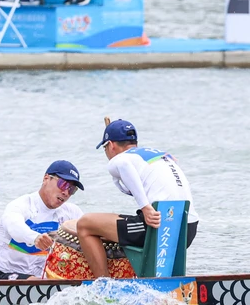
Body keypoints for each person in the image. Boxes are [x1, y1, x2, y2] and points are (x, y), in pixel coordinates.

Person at [73, 120, 199, 280]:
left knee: (85, 224)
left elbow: (123, 165)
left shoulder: (119, 159)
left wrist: (145, 207)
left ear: (111, 145)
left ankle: (103, 285)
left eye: (105, 148)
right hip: (188, 228)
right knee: (116, 221)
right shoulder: (159, 155)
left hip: (159, 226)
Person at [0, 161, 85, 280]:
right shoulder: (21, 205)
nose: (66, 192)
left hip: (39, 280)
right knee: (37, 280)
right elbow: (14, 227)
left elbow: (90, 234)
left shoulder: (72, 212)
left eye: (72, 189)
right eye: (63, 184)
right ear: (46, 178)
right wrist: (35, 238)